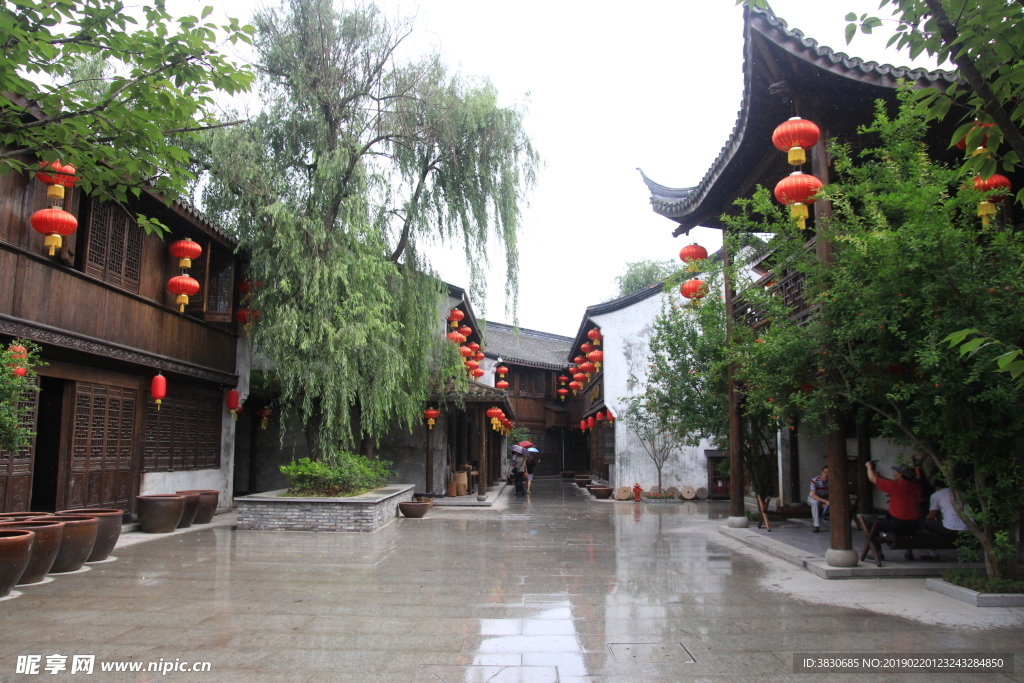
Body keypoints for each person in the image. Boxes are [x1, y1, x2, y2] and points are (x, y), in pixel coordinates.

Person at [865, 461, 922, 560]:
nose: (894, 473)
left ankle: (878, 553)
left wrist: (869, 467)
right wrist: (881, 477)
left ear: (900, 474)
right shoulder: (914, 486)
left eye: (896, 472)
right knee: (906, 530)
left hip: (898, 524)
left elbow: (872, 478)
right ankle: (909, 553)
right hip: (914, 525)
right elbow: (893, 483)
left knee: (870, 522)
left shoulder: (897, 487)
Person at [922, 480, 969, 561]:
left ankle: (933, 553)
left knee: (927, 524)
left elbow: (931, 516)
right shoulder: (960, 493)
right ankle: (967, 553)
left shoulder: (937, 494)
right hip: (968, 527)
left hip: (951, 528)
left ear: (938, 488)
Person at [807, 466, 829, 533]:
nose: (826, 475)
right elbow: (813, 496)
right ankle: (816, 526)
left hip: (826, 498)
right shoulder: (815, 480)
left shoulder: (833, 481)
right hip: (815, 498)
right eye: (824, 472)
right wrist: (825, 502)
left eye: (828, 473)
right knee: (815, 502)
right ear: (821, 473)